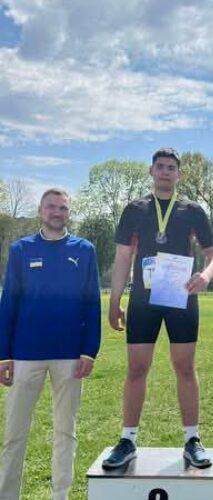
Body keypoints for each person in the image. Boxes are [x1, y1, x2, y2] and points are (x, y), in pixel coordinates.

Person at [102, 148, 213, 470]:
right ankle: (127, 440)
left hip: (181, 298)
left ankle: (192, 439)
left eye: (171, 167)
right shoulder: (134, 209)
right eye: (161, 167)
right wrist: (115, 300)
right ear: (151, 171)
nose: (166, 171)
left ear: (179, 174)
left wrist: (206, 275)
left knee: (185, 367)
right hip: (144, 300)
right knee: (137, 368)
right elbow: (123, 257)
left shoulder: (192, 210)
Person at [0, 188, 101, 500]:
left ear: (69, 212)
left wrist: (89, 350)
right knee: (14, 433)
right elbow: (8, 303)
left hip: (69, 355)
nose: (57, 212)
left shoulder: (85, 250)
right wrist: (3, 355)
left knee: (65, 431)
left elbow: (92, 303)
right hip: (25, 354)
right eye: (51, 207)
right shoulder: (21, 249)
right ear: (40, 211)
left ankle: (61, 495)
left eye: (62, 208)